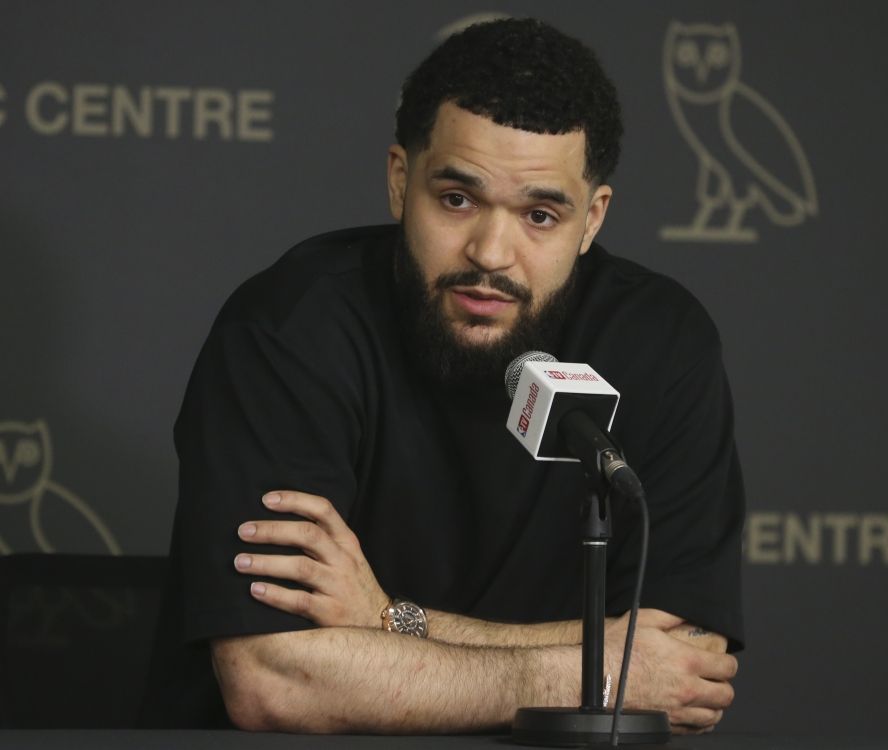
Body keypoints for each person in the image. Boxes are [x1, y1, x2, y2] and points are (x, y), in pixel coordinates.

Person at [141, 17, 744, 735]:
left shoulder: (661, 341)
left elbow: (681, 671)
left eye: (541, 215)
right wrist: (588, 669)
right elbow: (275, 679)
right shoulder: (290, 330)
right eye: (457, 199)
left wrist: (390, 623)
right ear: (401, 181)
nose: (491, 252)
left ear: (592, 219)